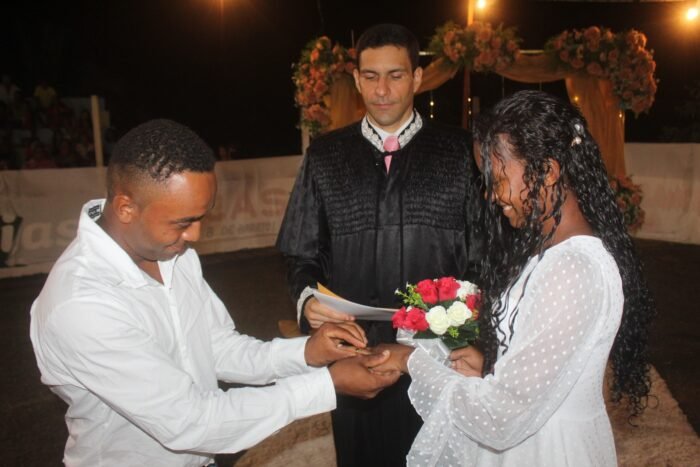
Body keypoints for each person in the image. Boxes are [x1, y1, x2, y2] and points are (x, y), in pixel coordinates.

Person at [30, 119, 401, 466]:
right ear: (126, 207)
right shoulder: (82, 303)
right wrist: (328, 385)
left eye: (200, 218)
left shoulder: (173, 255)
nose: (195, 236)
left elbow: (218, 348)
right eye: (183, 222)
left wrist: (307, 352)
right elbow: (191, 421)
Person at [373, 90, 656, 466]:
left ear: (548, 171)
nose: (491, 196)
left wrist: (410, 360)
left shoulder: (572, 269)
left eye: (497, 179)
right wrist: (492, 370)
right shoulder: (549, 253)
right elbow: (546, 371)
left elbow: (499, 418)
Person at [276, 23, 483, 466]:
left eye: (395, 75)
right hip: (355, 352)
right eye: (370, 76)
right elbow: (300, 251)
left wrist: (471, 338)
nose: (382, 90)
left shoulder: (462, 153)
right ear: (356, 80)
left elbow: (485, 257)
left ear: (417, 77)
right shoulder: (325, 157)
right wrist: (307, 298)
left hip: (438, 351)